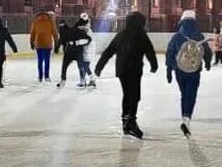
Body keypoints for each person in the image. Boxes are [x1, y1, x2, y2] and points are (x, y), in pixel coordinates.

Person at [94, 11, 158, 139]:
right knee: (134, 95)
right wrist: (154, 64)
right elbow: (149, 50)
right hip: (134, 70)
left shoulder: (121, 35)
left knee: (128, 94)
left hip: (122, 70)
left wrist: (99, 66)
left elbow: (109, 51)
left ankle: (126, 120)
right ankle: (130, 121)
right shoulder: (141, 35)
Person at [165, 10, 212, 138]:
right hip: (194, 70)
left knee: (184, 95)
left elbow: (169, 54)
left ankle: (184, 116)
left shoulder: (177, 36)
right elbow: (207, 51)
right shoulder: (199, 36)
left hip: (179, 70)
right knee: (191, 95)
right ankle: (186, 118)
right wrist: (207, 63)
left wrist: (169, 70)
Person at [55, 19, 91, 88]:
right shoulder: (68, 30)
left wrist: (79, 42)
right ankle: (63, 79)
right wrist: (57, 47)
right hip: (70, 51)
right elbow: (62, 39)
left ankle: (82, 79)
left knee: (80, 66)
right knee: (65, 65)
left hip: (77, 51)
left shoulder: (81, 31)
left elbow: (89, 39)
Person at [29, 11, 58, 83]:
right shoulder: (51, 22)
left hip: (38, 44)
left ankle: (40, 76)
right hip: (48, 44)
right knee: (47, 61)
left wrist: (31, 43)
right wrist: (57, 44)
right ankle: (47, 76)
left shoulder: (35, 22)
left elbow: (32, 33)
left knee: (40, 61)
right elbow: (55, 34)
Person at [77, 13, 96, 88]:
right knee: (82, 66)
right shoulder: (83, 29)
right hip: (85, 51)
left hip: (88, 51)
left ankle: (92, 80)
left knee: (85, 66)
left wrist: (77, 43)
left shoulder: (87, 30)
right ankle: (83, 81)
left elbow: (86, 40)